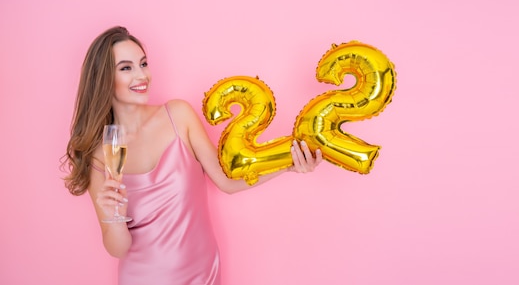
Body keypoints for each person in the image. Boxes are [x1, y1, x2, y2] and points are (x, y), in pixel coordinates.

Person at [61, 26, 323, 285]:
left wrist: (288, 165)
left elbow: (227, 182)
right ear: (104, 78)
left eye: (143, 63)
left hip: (201, 274)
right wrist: (113, 216)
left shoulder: (178, 116)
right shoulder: (100, 153)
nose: (142, 76)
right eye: (126, 68)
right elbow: (118, 248)